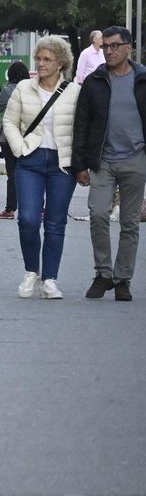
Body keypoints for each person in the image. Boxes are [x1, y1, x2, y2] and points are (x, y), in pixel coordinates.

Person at [1, 35, 81, 300]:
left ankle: (50, 279)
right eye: (38, 58)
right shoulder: (24, 88)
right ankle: (31, 271)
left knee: (56, 223)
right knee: (28, 219)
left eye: (47, 59)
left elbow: (81, 128)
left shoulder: (74, 91)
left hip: (62, 163)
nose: (41, 63)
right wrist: (18, 147)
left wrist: (82, 162)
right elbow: (9, 122)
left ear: (61, 63)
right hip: (30, 160)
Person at [72, 25, 146, 301]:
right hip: (102, 160)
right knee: (99, 214)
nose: (110, 51)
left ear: (129, 48)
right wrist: (79, 164)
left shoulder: (142, 79)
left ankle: (123, 279)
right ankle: (103, 274)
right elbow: (82, 123)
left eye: (115, 46)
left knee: (130, 222)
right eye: (106, 47)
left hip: (136, 159)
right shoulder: (95, 81)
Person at [0, 61, 30, 220]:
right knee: (32, 173)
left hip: (10, 137)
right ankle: (38, 207)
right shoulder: (32, 89)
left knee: (12, 174)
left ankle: (10, 208)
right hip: (30, 137)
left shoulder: (8, 90)